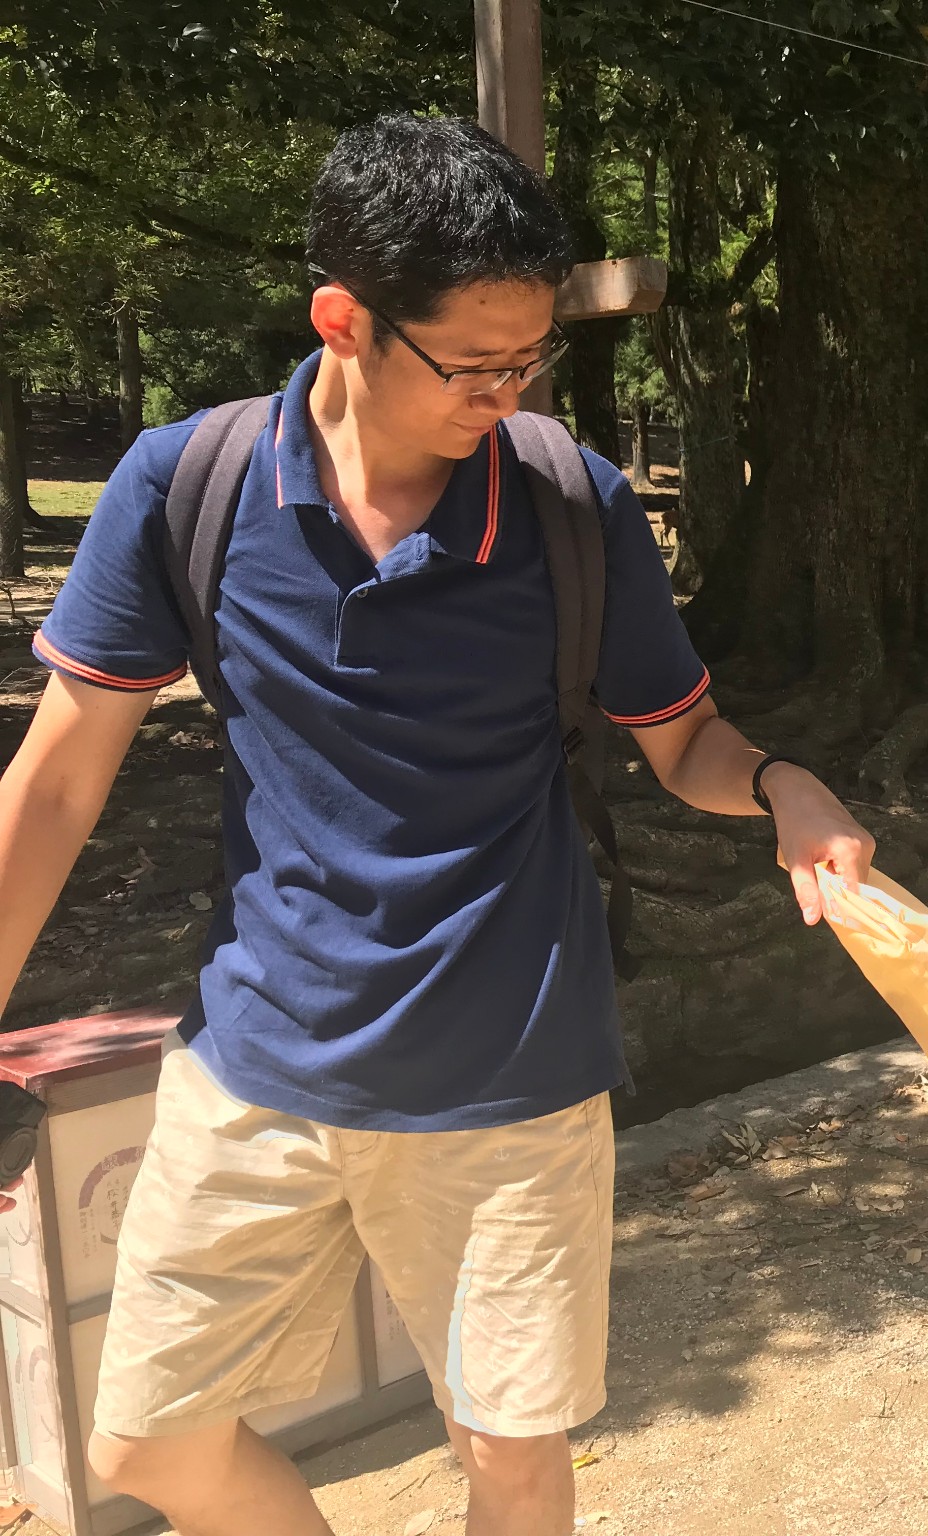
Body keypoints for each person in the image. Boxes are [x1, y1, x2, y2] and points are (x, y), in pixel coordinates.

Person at [0, 115, 873, 1536]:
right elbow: (52, 784)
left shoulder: (567, 505)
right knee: (151, 1443)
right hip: (257, 1059)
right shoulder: (188, 487)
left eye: (528, 359)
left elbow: (684, 742)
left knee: (513, 1462)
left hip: (511, 1076)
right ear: (342, 319)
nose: (507, 392)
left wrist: (783, 788)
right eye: (472, 362)